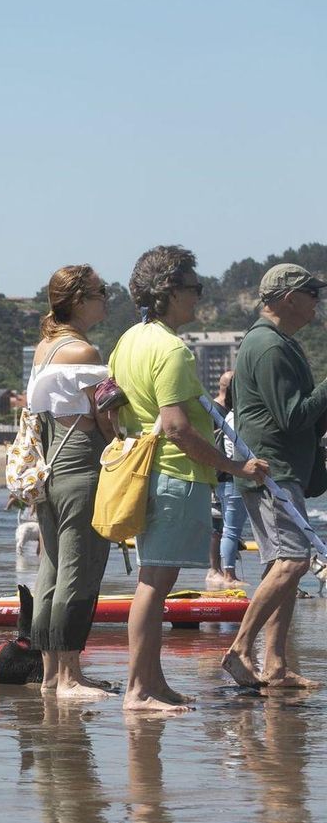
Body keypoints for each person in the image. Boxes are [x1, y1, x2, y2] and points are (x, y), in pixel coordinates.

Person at [109, 245, 267, 713]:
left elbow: (115, 409)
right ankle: (140, 689)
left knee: (153, 579)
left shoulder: (127, 341)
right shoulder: (171, 348)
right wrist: (235, 467)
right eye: (194, 288)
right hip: (173, 475)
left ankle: (151, 683)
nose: (199, 297)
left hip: (144, 472)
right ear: (169, 291)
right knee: (155, 584)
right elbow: (177, 426)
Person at [223, 263, 327, 690]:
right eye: (312, 293)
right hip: (272, 471)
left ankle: (276, 663)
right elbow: (291, 416)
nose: (318, 300)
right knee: (293, 561)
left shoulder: (280, 343)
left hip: (278, 470)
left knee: (282, 565)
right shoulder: (268, 346)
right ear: (289, 299)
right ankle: (239, 649)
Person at [26, 264, 114, 700]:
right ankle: (70, 677)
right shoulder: (83, 352)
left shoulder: (45, 346)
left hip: (50, 469)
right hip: (82, 466)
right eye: (101, 292)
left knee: (53, 571)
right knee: (81, 571)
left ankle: (50, 675)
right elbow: (105, 417)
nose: (107, 299)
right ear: (79, 299)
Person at [208, 371, 251, 590]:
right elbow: (235, 449)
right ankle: (227, 573)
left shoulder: (230, 415)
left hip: (228, 476)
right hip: (233, 477)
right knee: (228, 528)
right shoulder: (235, 417)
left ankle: (226, 571)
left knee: (228, 528)